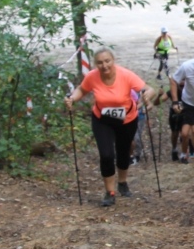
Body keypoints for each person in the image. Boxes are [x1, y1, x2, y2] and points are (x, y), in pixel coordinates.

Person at [65, 47, 159, 207]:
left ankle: (122, 182)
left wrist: (147, 94)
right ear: (95, 64)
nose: (104, 65)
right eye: (100, 63)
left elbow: (149, 89)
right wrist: (72, 98)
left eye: (107, 61)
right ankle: (110, 192)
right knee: (107, 155)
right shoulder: (92, 77)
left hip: (127, 119)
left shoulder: (126, 75)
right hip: (102, 119)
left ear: (113, 61)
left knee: (123, 152)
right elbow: (82, 89)